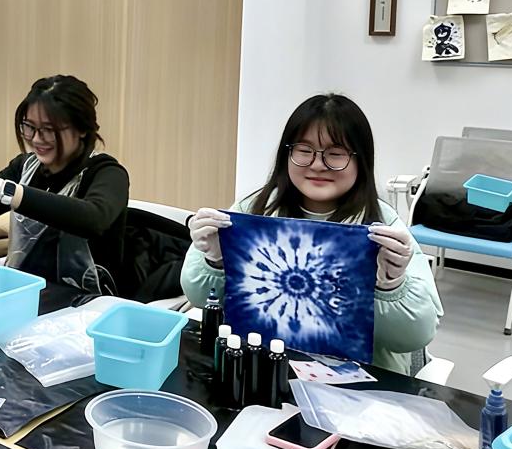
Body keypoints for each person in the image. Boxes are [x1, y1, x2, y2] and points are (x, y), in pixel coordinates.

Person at [181, 93, 442, 375]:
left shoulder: (383, 227)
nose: (318, 164)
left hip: (360, 381)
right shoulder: (255, 210)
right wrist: (214, 262)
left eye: (336, 153)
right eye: (304, 150)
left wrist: (391, 286)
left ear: (361, 160)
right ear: (286, 154)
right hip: (261, 370)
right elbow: (199, 297)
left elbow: (415, 336)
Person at [0, 75, 129, 295]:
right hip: (27, 290)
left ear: (82, 129)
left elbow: (93, 218)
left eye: (49, 130)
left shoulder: (108, 173)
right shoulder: (26, 167)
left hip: (88, 299)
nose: (36, 139)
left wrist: (11, 193)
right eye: (29, 127)